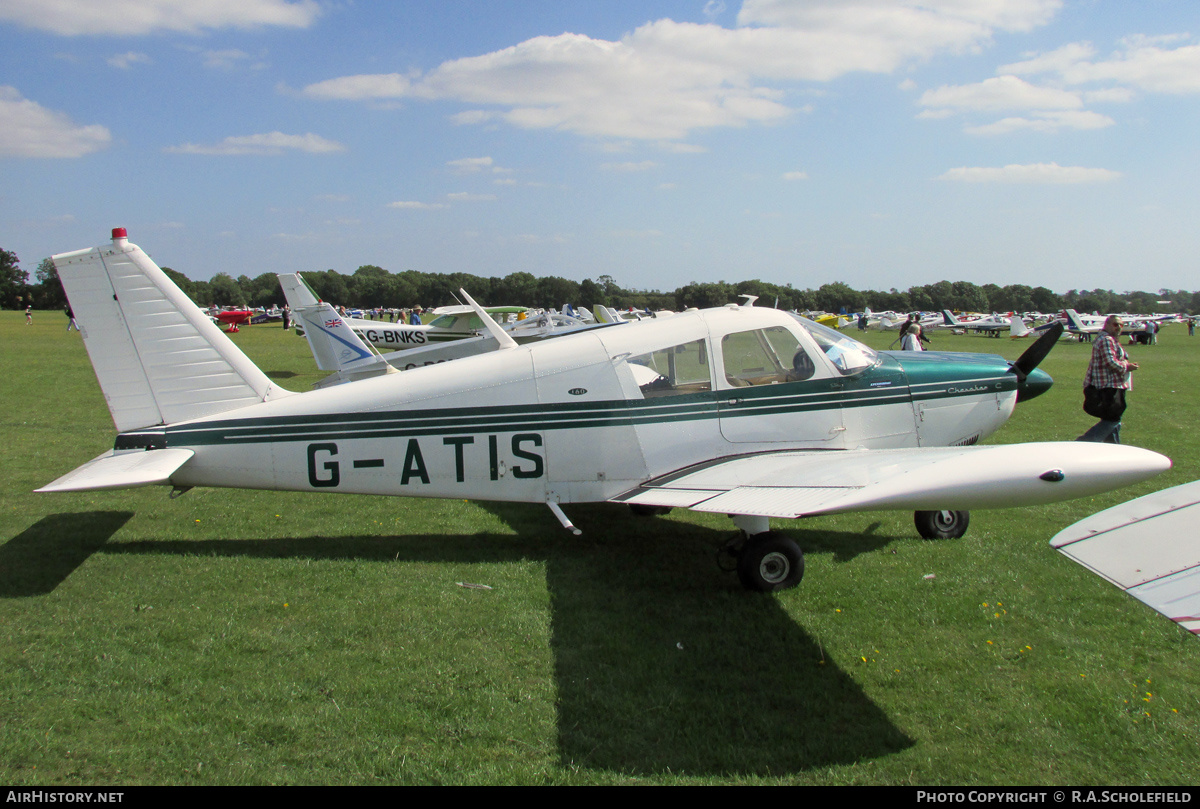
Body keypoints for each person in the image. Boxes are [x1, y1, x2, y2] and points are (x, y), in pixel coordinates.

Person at [1077, 315, 1138, 444]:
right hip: (1107, 386)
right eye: (1115, 324)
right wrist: (1127, 366)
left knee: (1114, 419)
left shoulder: (1110, 340)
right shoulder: (1107, 340)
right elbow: (1110, 362)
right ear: (1107, 325)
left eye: (1121, 325)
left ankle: (1113, 447)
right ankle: (1085, 442)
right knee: (1113, 419)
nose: (1119, 328)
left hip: (1111, 384)